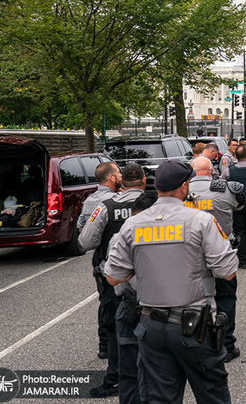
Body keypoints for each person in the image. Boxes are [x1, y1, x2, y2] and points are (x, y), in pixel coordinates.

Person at [104, 160, 238, 404]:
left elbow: (113, 276)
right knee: (212, 394)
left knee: (159, 398)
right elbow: (228, 271)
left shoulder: (133, 224)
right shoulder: (201, 220)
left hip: (150, 326)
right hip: (194, 325)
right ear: (184, 187)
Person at [79, 163, 146, 398]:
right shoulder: (156, 203)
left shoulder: (105, 206)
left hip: (114, 278)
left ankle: (117, 378)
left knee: (116, 328)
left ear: (122, 183)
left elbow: (85, 242)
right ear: (144, 181)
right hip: (152, 277)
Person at [185, 156, 244, 363]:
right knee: (226, 296)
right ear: (211, 171)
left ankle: (198, 341)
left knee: (192, 298)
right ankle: (226, 344)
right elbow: (238, 207)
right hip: (222, 249)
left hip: (189, 254)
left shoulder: (181, 191)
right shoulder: (224, 189)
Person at [111, 192, 157, 404]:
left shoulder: (122, 234)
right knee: (161, 377)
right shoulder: (171, 234)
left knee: (129, 375)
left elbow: (112, 275)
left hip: (130, 305)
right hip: (155, 310)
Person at [77, 161, 122, 360]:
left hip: (100, 258)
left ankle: (104, 344)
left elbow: (82, 229)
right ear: (111, 178)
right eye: (119, 173)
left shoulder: (89, 201)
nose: (121, 176)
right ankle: (117, 344)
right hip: (117, 259)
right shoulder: (116, 201)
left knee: (105, 302)